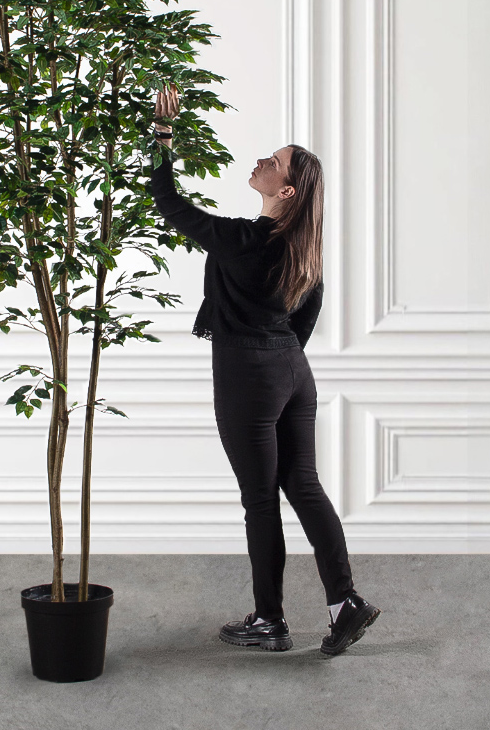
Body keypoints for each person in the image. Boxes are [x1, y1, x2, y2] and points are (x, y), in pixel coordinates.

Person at [149, 83, 381, 656]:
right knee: (304, 485)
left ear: (286, 188)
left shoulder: (241, 238)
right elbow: (307, 316)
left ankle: (270, 621)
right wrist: (279, 357)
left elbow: (168, 202)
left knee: (260, 499)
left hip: (248, 374)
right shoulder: (304, 249)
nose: (260, 162)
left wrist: (163, 133)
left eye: (272, 162)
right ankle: (344, 602)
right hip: (293, 372)